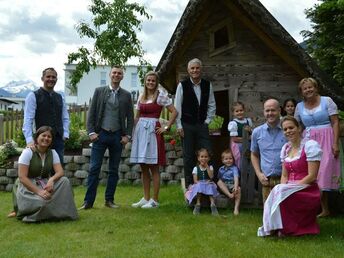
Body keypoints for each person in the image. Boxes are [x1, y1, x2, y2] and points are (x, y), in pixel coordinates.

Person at [80, 66, 134, 210]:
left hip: (117, 136)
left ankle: (109, 200)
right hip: (101, 134)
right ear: (110, 75)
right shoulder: (99, 91)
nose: (116, 75)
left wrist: (127, 136)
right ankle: (88, 202)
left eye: (119, 73)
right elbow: (91, 113)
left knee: (114, 170)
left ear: (122, 77)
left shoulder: (126, 95)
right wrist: (91, 132)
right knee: (94, 168)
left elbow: (130, 116)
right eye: (114, 73)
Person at [258, 116, 322, 236]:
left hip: (307, 188)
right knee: (277, 191)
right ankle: (275, 227)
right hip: (289, 187)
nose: (288, 131)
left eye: (291, 127)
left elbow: (312, 176)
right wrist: (283, 188)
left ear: (299, 128)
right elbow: (284, 175)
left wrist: (289, 189)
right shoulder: (286, 148)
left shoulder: (310, 146)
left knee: (280, 191)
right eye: (285, 129)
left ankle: (286, 228)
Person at [10, 126, 78, 222]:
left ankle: (61, 210)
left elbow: (60, 172)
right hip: (28, 186)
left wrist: (51, 180)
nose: (46, 138)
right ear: (37, 137)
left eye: (49, 137)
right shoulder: (27, 152)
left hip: (45, 183)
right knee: (42, 203)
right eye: (43, 135)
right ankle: (25, 210)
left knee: (64, 181)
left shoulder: (53, 153)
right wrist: (39, 192)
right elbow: (22, 177)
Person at [130, 71, 177, 208]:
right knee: (143, 167)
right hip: (140, 131)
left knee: (154, 167)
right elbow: (137, 116)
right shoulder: (141, 96)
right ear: (145, 82)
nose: (150, 83)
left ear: (156, 82)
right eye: (148, 80)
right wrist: (132, 132)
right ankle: (146, 198)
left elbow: (174, 111)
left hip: (153, 132)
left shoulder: (161, 95)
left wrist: (167, 126)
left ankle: (155, 200)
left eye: (153, 81)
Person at [294, 77, 340, 217]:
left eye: (310, 87)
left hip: (327, 139)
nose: (308, 90)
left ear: (316, 88)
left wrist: (335, 143)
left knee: (323, 173)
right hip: (308, 141)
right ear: (302, 92)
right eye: (305, 88)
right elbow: (298, 126)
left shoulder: (327, 101)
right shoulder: (299, 107)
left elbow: (335, 123)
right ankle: (321, 209)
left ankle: (319, 209)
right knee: (311, 173)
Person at [174, 58, 216, 188]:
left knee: (207, 152)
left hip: (202, 125)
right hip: (187, 125)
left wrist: (207, 121)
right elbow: (177, 107)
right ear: (188, 70)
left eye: (197, 68)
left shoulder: (207, 85)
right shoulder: (182, 85)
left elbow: (212, 105)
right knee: (188, 156)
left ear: (200, 69)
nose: (195, 70)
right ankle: (190, 185)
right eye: (192, 68)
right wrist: (179, 125)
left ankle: (208, 183)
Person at [22, 67, 69, 164]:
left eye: (53, 77)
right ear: (42, 78)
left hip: (58, 140)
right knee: (40, 169)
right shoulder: (33, 96)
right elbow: (28, 119)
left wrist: (65, 133)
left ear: (56, 79)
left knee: (58, 169)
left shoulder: (60, 97)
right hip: (41, 140)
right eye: (48, 76)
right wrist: (29, 140)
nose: (51, 79)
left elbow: (65, 117)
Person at [251, 98, 287, 203]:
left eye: (273, 110)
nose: (270, 113)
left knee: (285, 208)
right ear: (263, 112)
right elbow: (254, 154)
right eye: (267, 110)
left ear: (279, 111)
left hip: (285, 177)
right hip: (267, 179)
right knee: (268, 209)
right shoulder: (257, 132)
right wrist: (258, 173)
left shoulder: (287, 130)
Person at [185, 148, 219, 216]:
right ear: (198, 158)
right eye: (202, 157)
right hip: (199, 183)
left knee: (210, 185)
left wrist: (207, 167)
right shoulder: (196, 168)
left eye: (206, 157)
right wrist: (201, 183)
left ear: (209, 158)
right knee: (199, 186)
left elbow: (211, 177)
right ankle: (198, 204)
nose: (204, 158)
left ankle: (212, 205)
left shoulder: (210, 167)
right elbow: (195, 181)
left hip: (207, 183)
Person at [228, 101, 253, 169]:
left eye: (241, 110)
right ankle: (240, 173)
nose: (239, 112)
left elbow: (252, 133)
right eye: (237, 111)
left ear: (244, 110)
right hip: (238, 145)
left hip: (247, 144)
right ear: (233, 113)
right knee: (240, 160)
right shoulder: (233, 123)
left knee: (249, 158)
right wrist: (247, 139)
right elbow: (234, 139)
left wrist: (250, 130)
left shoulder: (248, 121)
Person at [217, 149, 241, 215]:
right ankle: (229, 195)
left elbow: (236, 178)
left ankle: (236, 208)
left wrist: (235, 187)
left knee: (239, 189)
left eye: (230, 158)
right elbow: (220, 178)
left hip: (232, 185)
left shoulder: (234, 168)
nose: (228, 160)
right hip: (224, 187)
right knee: (219, 182)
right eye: (226, 159)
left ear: (233, 159)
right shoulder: (221, 169)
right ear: (222, 160)